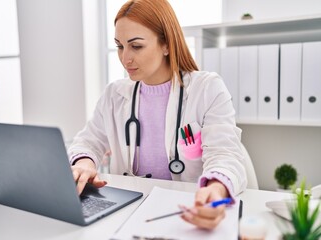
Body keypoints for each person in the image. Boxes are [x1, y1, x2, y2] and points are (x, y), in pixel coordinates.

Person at [68, 0, 247, 230]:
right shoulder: (115, 94)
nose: (125, 59)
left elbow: (226, 155)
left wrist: (215, 188)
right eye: (120, 46)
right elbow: (88, 141)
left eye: (136, 46)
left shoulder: (207, 88)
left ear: (166, 44)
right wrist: (84, 163)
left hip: (184, 214)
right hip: (127, 215)